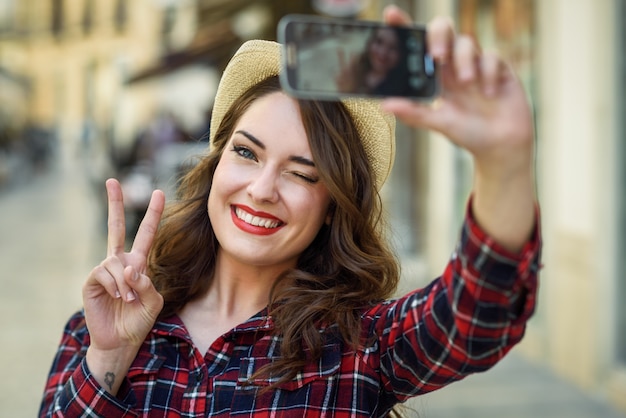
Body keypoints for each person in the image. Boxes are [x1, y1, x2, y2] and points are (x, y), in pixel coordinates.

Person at [39, 6, 541, 418]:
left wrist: (504, 162)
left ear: (331, 208)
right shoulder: (96, 329)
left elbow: (476, 315)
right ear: (215, 165)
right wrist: (109, 358)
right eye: (245, 153)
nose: (261, 189)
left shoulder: (362, 348)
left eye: (302, 173)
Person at [335, 25, 412, 96]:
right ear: (370, 42)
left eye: (392, 47)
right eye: (379, 42)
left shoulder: (401, 91)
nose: (383, 53)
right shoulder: (355, 72)